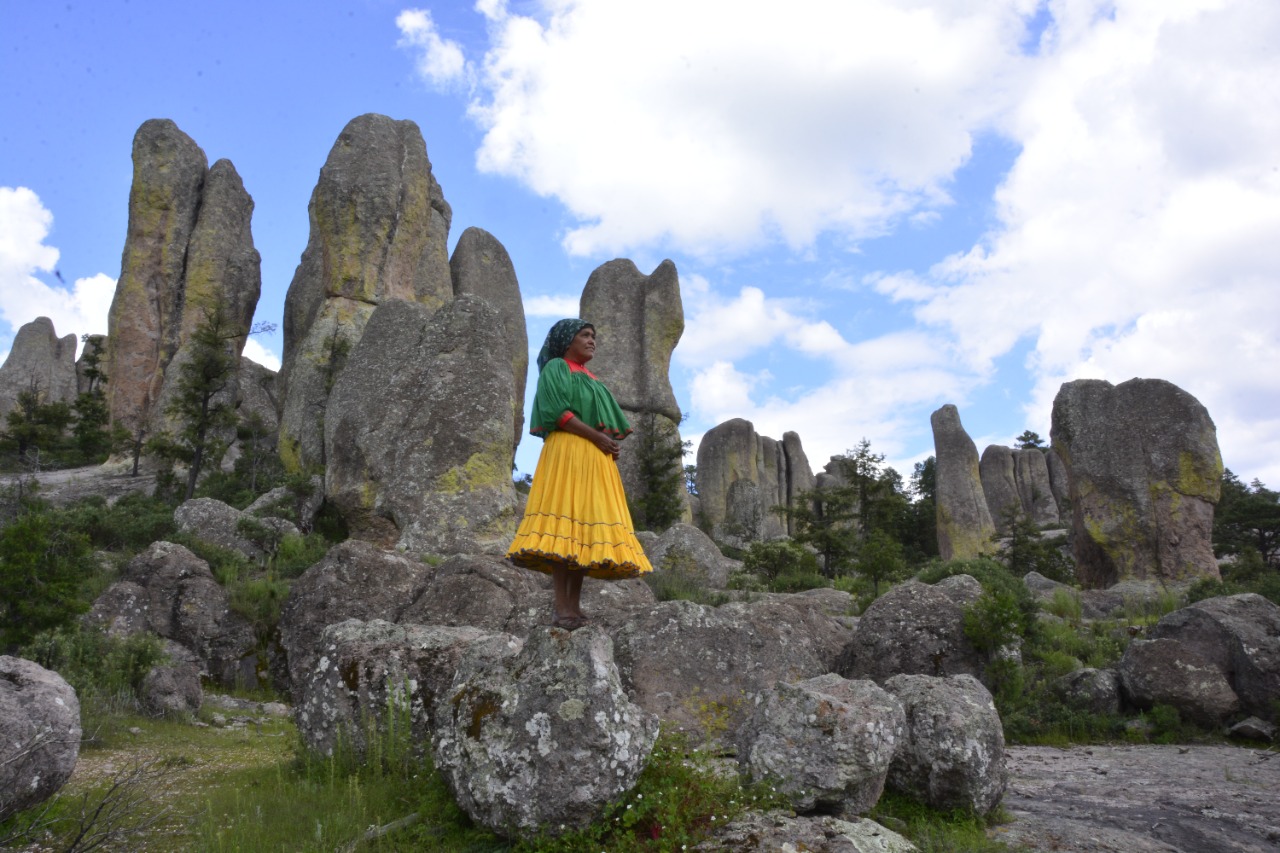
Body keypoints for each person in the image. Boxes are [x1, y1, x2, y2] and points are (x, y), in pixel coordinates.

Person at [506, 318, 653, 630]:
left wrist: (607, 444)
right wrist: (599, 438)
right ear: (566, 341)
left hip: (594, 458)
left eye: (593, 335)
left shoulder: (593, 379)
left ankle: (574, 606)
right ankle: (562, 609)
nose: (591, 340)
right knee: (565, 528)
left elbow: (602, 422)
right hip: (568, 452)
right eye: (584, 335)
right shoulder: (557, 367)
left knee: (583, 534)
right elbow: (557, 413)